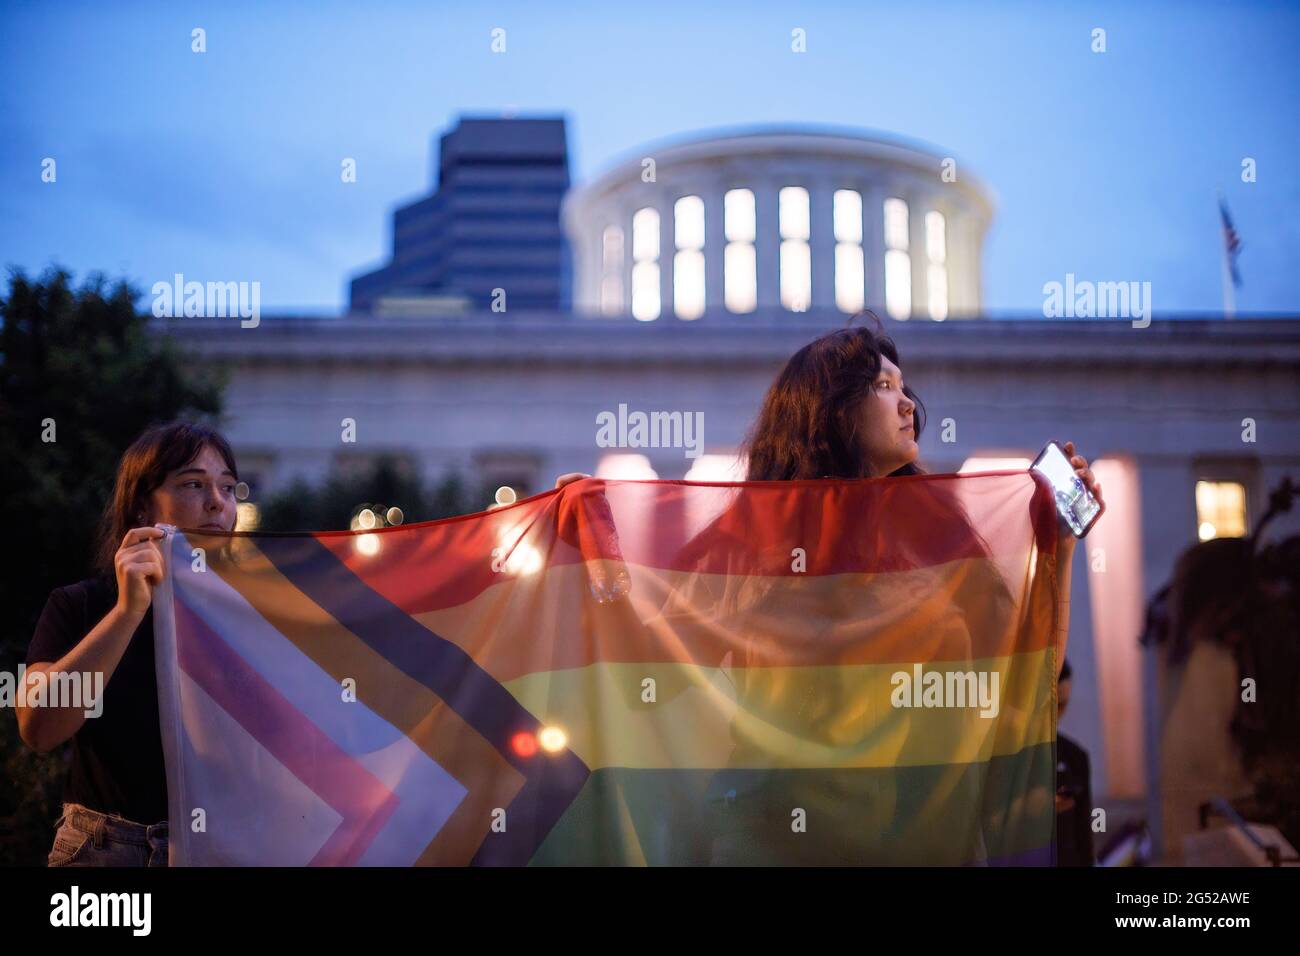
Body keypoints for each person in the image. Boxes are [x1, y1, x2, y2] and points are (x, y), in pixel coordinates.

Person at [17, 422, 242, 866]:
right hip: (105, 852)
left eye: (229, 488)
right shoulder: (81, 604)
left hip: (221, 848)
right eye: (194, 484)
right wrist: (127, 613)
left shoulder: (249, 614)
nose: (218, 502)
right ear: (141, 506)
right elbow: (38, 727)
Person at [1054, 658, 1097, 865]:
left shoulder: (1075, 758)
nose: (1054, 714)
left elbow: (1083, 835)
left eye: (1061, 706)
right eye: (1049, 704)